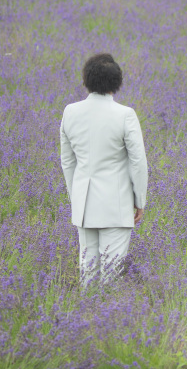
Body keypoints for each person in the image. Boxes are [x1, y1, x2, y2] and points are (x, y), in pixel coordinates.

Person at [60, 53, 148, 286]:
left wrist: (76, 196)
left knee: (88, 274)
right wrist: (139, 200)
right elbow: (138, 162)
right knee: (111, 277)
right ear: (116, 82)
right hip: (116, 205)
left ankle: (85, 309)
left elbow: (67, 162)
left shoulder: (70, 112)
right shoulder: (125, 115)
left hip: (83, 205)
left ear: (86, 80)